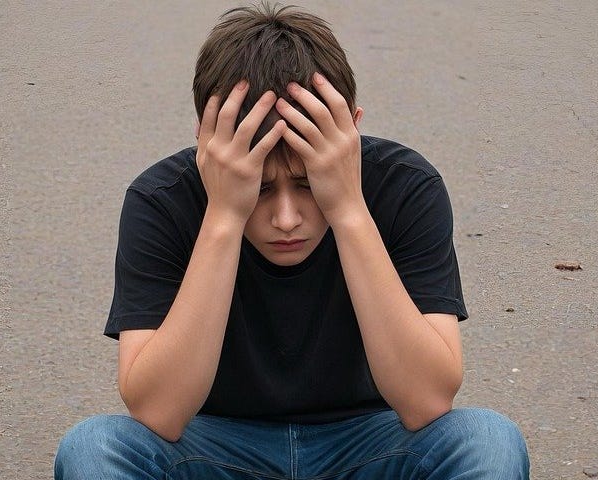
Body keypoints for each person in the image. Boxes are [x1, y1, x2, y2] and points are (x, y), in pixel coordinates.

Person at [55, 3, 529, 479]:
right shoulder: (161, 201)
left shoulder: (405, 187)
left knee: (487, 440)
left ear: (351, 134)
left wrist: (346, 207)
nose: (286, 219)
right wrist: (224, 213)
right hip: (214, 446)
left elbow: (428, 401)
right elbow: (158, 413)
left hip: (369, 444)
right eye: (259, 187)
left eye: (307, 184)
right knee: (95, 447)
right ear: (207, 144)